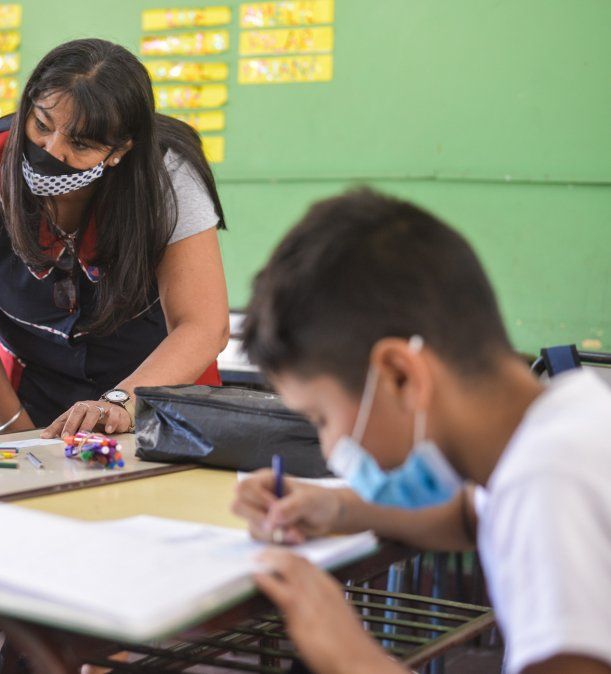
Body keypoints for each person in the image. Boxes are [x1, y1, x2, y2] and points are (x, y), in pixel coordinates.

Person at [232, 188, 611, 674]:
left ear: (401, 377)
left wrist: (353, 658)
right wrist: (337, 508)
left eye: (321, 419)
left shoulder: (553, 481)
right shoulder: (563, 421)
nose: (329, 449)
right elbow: (470, 519)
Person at [0, 38, 230, 439]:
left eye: (81, 144)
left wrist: (121, 402)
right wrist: (18, 434)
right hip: (32, 392)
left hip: (158, 386)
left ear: (119, 151)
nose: (52, 150)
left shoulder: (168, 177)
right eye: (41, 125)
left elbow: (204, 325)